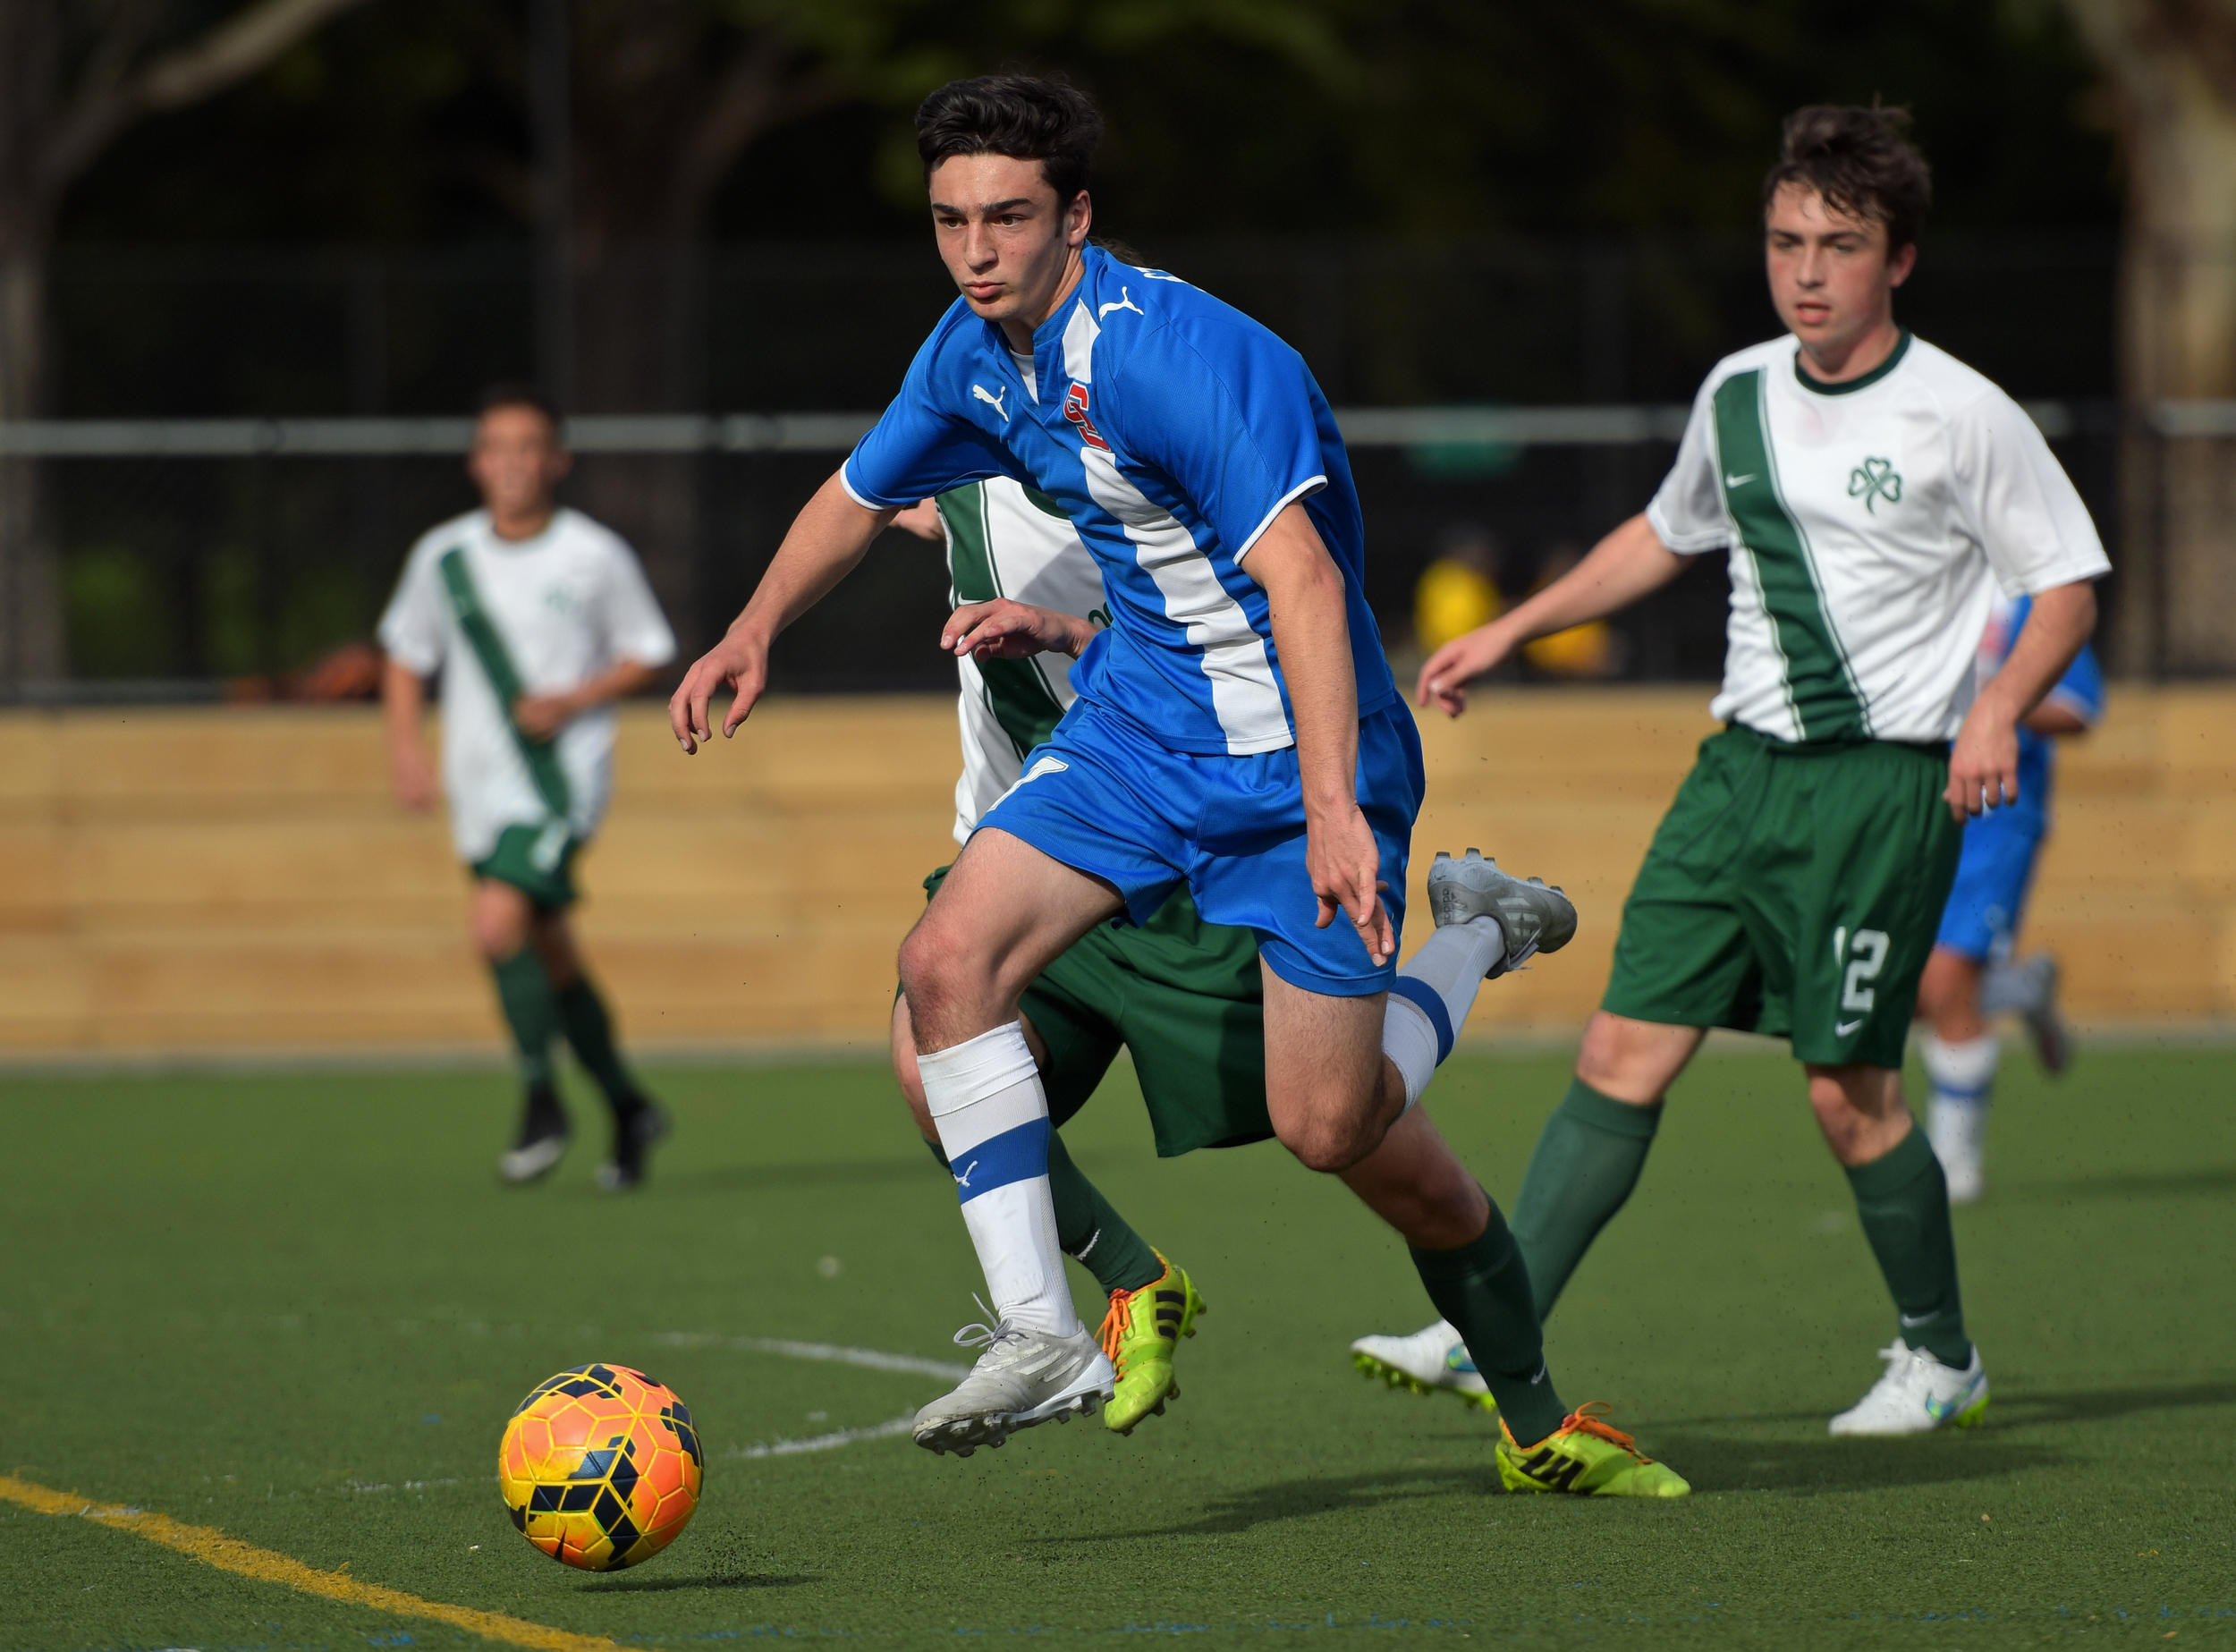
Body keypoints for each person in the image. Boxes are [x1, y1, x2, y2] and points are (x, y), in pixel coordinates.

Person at [670, 75, 1684, 1496]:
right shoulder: (968, 354)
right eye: (952, 220)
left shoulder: (1178, 356)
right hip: (1140, 727)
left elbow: (1306, 582)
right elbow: (854, 494)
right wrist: (752, 628)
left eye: (1009, 217)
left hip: (1295, 755)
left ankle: (1474, 928)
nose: (977, 251)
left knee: (1330, 1125)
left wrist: (1331, 809)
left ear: (1075, 217)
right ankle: (1045, 1329)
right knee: (944, 963)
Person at [1355, 106, 2107, 1438]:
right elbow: (1663, 534)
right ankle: (1492, 1332)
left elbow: (2066, 588)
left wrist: (1998, 708)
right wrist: (1515, 627)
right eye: (1784, 241)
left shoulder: (1963, 413)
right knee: (1620, 1046)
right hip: (1734, 780)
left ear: (1900, 260)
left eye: (1840, 245)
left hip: (1880, 793)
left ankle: (1942, 1358)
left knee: (1846, 1091)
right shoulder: (1740, 391)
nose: (1806, 271)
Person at [381, 385, 677, 1189]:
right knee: (551, 954)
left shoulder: (592, 553)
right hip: (478, 785)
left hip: (558, 784)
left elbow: (648, 650)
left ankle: (542, 1100)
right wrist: (405, 748)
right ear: (476, 462)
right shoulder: (443, 556)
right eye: (496, 447)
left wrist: (572, 700)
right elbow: (406, 653)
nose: (511, 462)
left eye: (527, 446)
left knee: (495, 924)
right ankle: (628, 1106)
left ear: (556, 460)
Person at [1914, 594, 2102, 1202]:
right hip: (1916, 809)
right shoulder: (1917, 586)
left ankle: (1954, 1166)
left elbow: (2078, 707)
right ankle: (2019, 988)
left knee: (1947, 981)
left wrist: (1994, 703)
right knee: (1911, 991)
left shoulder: (2023, 601)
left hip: (1997, 817)